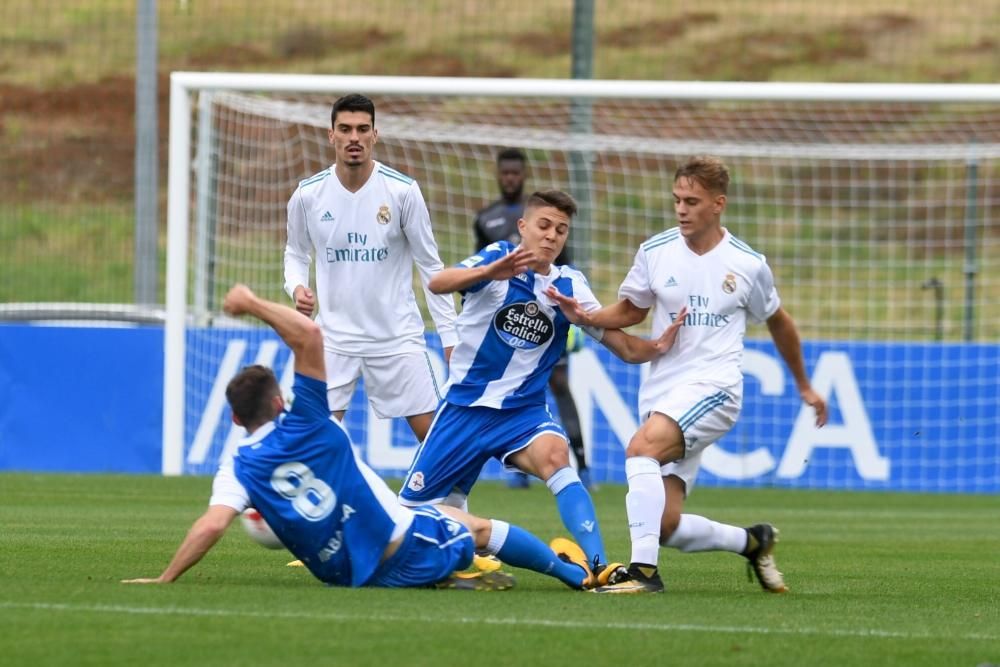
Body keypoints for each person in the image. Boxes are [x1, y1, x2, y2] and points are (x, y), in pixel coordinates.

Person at [122, 284, 599, 591]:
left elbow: (209, 526)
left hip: (340, 573)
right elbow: (310, 335)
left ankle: (451, 574)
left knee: (428, 515)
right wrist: (250, 304)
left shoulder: (236, 467)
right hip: (400, 551)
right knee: (471, 525)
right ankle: (570, 573)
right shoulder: (309, 420)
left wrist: (165, 578)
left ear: (232, 419)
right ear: (279, 403)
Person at [547, 155, 828, 594]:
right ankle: (754, 541)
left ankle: (643, 573)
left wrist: (805, 385)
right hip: (664, 392)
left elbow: (779, 321)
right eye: (677, 199)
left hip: (716, 389)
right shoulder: (655, 251)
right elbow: (632, 310)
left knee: (640, 449)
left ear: (718, 204)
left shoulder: (747, 263)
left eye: (692, 201)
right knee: (662, 523)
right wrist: (587, 314)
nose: (681, 209)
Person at [399, 189, 687, 582]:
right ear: (523, 227)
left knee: (556, 456)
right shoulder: (497, 257)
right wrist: (488, 273)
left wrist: (657, 346)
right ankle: (469, 552)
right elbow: (437, 283)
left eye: (561, 230)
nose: (552, 236)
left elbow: (620, 344)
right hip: (465, 409)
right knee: (407, 519)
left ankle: (600, 565)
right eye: (544, 225)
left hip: (523, 413)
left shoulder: (570, 285)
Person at [283, 93, 457, 443]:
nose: (354, 138)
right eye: (345, 129)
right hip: (332, 339)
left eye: (363, 129)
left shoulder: (403, 192)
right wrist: (297, 287)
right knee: (308, 441)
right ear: (331, 135)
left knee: (439, 446)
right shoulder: (307, 195)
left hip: (395, 337)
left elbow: (430, 268)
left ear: (375, 135)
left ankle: (451, 502)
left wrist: (451, 339)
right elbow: (295, 253)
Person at [473, 148, 594, 490]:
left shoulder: (547, 218)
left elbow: (564, 265)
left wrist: (575, 320)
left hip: (551, 314)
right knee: (515, 385)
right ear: (498, 175)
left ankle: (582, 465)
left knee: (559, 385)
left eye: (516, 173)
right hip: (508, 322)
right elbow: (477, 272)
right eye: (505, 173)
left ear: (524, 175)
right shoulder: (486, 219)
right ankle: (521, 469)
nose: (511, 178)